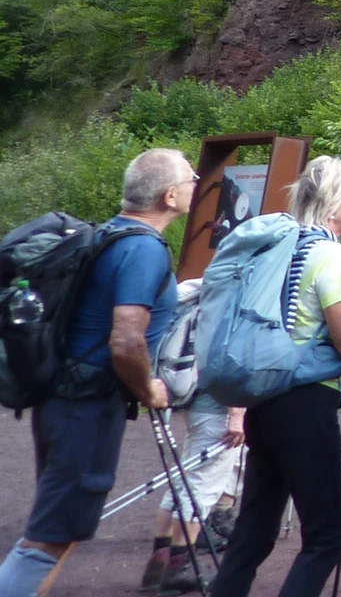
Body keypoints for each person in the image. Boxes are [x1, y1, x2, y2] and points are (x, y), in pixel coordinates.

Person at [209, 157, 341, 597]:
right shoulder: (329, 253)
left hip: (264, 399)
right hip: (307, 404)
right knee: (326, 537)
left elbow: (306, 325)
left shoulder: (283, 246)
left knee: (253, 533)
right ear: (335, 199)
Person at [0, 148, 197, 597]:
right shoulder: (143, 250)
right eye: (191, 178)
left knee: (62, 528)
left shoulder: (107, 234)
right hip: (85, 408)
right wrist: (148, 387)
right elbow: (126, 340)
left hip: (61, 398)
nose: (196, 183)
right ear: (169, 196)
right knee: (50, 533)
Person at [143, 279, 247, 594]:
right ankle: (179, 566)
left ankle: (159, 564)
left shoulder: (208, 287)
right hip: (217, 405)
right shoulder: (242, 295)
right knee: (202, 486)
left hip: (191, 396)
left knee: (185, 478)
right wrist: (238, 414)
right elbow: (233, 357)